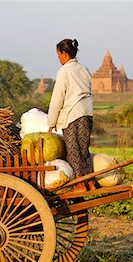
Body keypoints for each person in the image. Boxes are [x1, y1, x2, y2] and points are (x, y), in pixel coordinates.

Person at [47, 38, 95, 191]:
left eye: (59, 55)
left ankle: (80, 184)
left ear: (64, 54)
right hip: (87, 112)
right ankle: (90, 182)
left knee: (73, 150)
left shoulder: (64, 71)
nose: (59, 58)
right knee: (83, 148)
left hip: (72, 114)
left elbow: (57, 99)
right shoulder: (84, 69)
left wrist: (51, 122)